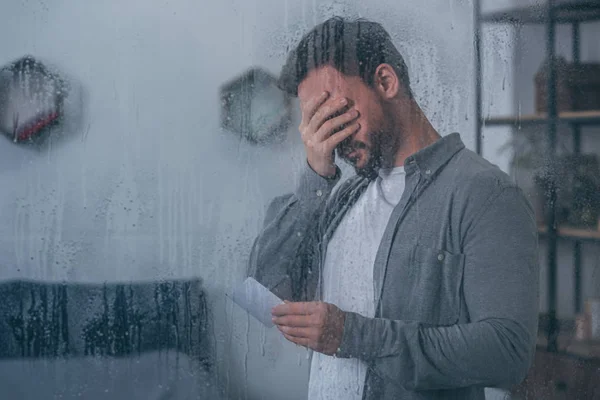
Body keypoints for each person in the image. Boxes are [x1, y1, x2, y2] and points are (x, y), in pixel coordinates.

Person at [247, 16, 539, 400]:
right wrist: (315, 175)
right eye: (315, 122)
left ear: (385, 82)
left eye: (334, 114)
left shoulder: (485, 193)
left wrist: (352, 336)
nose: (329, 136)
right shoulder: (342, 196)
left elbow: (507, 353)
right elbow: (260, 293)